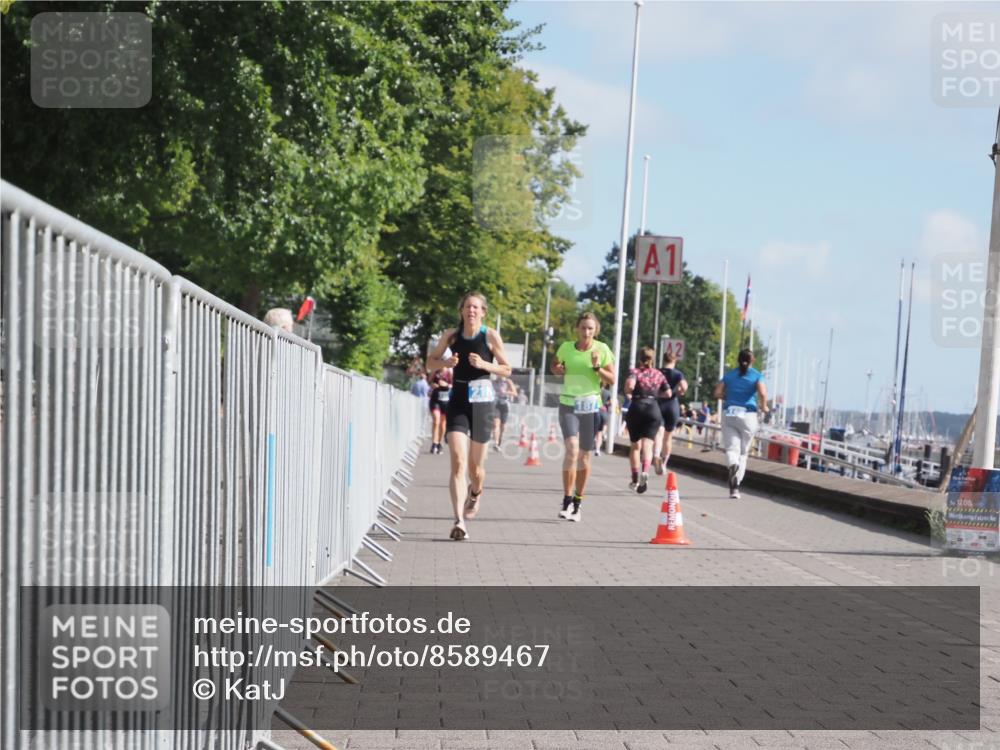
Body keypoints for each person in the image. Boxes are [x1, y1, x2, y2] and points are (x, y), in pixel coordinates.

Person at [427, 292, 511, 540]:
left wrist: (486, 365)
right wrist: (445, 364)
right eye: (467, 306)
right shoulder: (450, 336)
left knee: (476, 468)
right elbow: (430, 363)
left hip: (483, 403)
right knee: (458, 462)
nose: (471, 311)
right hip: (459, 401)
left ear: (483, 312)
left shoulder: (490, 335)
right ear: (461, 310)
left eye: (476, 307)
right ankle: (459, 521)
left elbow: (506, 369)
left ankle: (476, 491)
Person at [551, 312, 615, 522]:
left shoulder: (602, 349)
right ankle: (567, 500)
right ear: (577, 329)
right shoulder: (566, 348)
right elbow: (555, 367)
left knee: (585, 456)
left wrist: (597, 367)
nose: (586, 332)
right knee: (572, 449)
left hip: (590, 405)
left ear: (595, 330)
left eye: (590, 328)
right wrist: (558, 369)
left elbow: (612, 379)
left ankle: (578, 502)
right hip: (568, 403)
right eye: (583, 328)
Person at [712, 348, 768, 499]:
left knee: (731, 448)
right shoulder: (757, 375)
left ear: (738, 359)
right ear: (753, 360)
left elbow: (717, 393)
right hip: (748, 415)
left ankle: (732, 466)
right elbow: (762, 393)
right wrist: (764, 406)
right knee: (743, 452)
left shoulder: (729, 375)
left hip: (729, 412)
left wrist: (727, 397)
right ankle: (736, 485)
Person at [624, 347, 667, 494]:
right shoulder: (658, 374)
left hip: (637, 407)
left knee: (635, 447)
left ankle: (635, 479)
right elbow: (667, 392)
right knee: (648, 444)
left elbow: (629, 386)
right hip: (653, 409)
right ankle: (646, 471)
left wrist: (630, 392)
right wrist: (655, 393)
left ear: (639, 358)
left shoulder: (635, 372)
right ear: (653, 359)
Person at [653, 352, 688, 475]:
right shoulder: (678, 374)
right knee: (668, 436)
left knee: (658, 433)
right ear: (675, 361)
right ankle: (664, 462)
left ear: (663, 360)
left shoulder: (657, 372)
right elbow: (684, 387)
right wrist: (680, 391)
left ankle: (656, 455)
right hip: (672, 405)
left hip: (658, 404)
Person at [428, 367, 453, 454]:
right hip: (435, 400)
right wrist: (432, 384)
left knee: (443, 424)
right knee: (436, 420)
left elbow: (454, 385)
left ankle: (439, 443)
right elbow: (429, 381)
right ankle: (434, 443)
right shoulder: (435, 371)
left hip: (446, 401)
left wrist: (446, 385)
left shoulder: (450, 372)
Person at [491, 376, 517, 450]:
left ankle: (499, 442)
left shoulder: (508, 382)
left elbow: (515, 393)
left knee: (503, 427)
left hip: (505, 405)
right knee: (496, 424)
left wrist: (506, 392)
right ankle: (495, 443)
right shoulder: (493, 382)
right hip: (496, 404)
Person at [593, 385, 612, 456]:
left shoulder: (594, 392)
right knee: (600, 432)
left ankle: (592, 440)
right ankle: (597, 450)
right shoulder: (608, 392)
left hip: (594, 411)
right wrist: (606, 404)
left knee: (593, 429)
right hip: (603, 412)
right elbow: (611, 403)